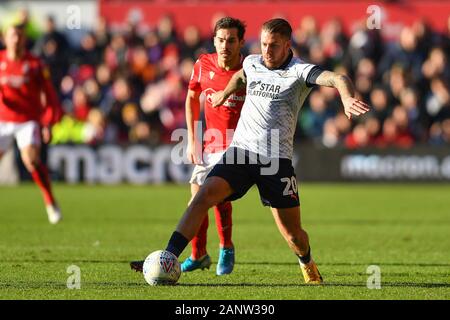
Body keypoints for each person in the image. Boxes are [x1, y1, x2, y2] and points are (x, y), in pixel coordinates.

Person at [131, 18, 370, 284]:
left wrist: (347, 98)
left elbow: (338, 78)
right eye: (264, 44)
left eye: (274, 46)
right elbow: (241, 77)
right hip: (240, 153)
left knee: (293, 236)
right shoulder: (253, 62)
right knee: (202, 196)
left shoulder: (300, 71)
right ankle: (169, 256)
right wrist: (222, 95)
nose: (267, 51)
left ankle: (307, 262)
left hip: (275, 162)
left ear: (287, 45)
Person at [132, 17, 247, 275]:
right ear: (214, 40)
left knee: (214, 197)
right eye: (220, 40)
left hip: (239, 144)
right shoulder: (203, 64)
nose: (225, 45)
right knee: (196, 199)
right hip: (209, 143)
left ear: (240, 42)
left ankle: (226, 248)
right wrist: (193, 139)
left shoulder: (249, 70)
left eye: (231, 40)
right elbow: (192, 97)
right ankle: (198, 254)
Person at [0, 21, 63, 224]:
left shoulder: (35, 64)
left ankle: (50, 200)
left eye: (20, 36)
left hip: (28, 121)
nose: (16, 39)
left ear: (25, 39)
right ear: (5, 38)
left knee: (32, 161)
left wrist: (49, 122)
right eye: (12, 35)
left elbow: (49, 95)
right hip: (3, 119)